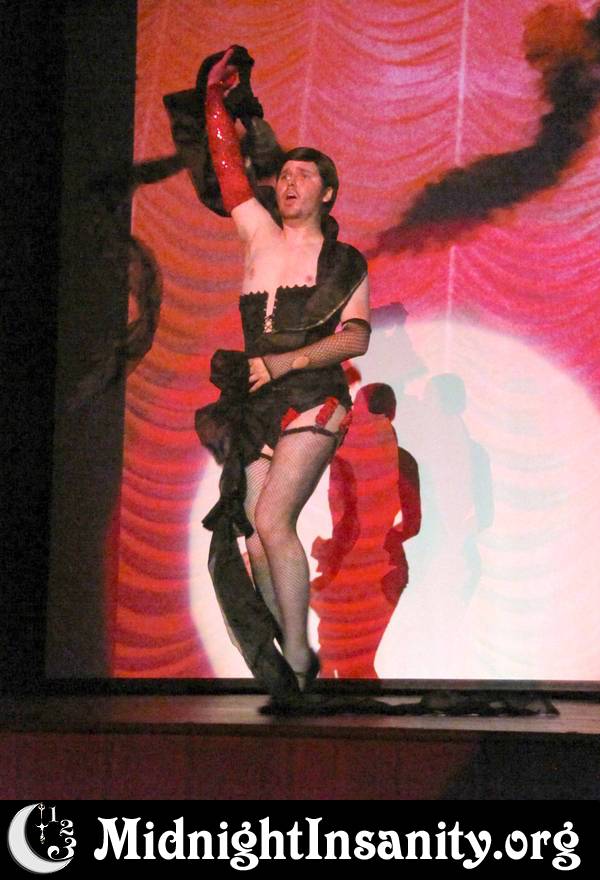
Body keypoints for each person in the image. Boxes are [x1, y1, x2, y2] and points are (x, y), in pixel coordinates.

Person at [202, 48, 370, 693]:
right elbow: (227, 168)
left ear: (328, 192)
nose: (290, 182)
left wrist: (286, 362)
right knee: (254, 537)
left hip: (313, 396)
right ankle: (285, 658)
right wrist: (214, 104)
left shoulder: (343, 260)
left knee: (273, 520)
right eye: (285, 175)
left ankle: (299, 657)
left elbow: (355, 338)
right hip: (258, 403)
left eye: (305, 175)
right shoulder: (258, 235)